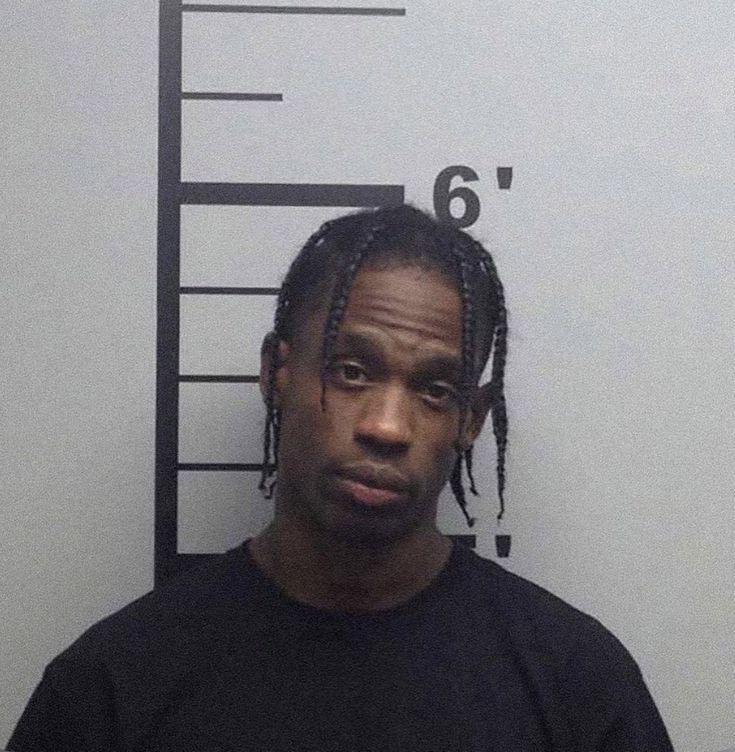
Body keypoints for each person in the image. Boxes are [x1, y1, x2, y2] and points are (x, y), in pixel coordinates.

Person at [8, 205, 673, 751]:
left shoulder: (579, 686)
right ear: (276, 373)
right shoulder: (113, 687)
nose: (386, 425)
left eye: (433, 389)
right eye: (351, 370)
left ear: (470, 419)